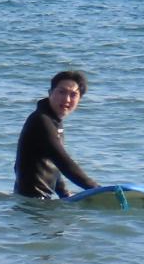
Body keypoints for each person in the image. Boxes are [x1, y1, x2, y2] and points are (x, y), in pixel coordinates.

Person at [14, 69, 99, 199]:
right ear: (50, 93)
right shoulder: (41, 121)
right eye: (61, 92)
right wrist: (96, 189)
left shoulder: (53, 121)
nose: (66, 99)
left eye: (73, 94)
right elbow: (62, 161)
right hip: (33, 203)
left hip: (35, 201)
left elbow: (52, 162)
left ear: (79, 99)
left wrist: (63, 192)